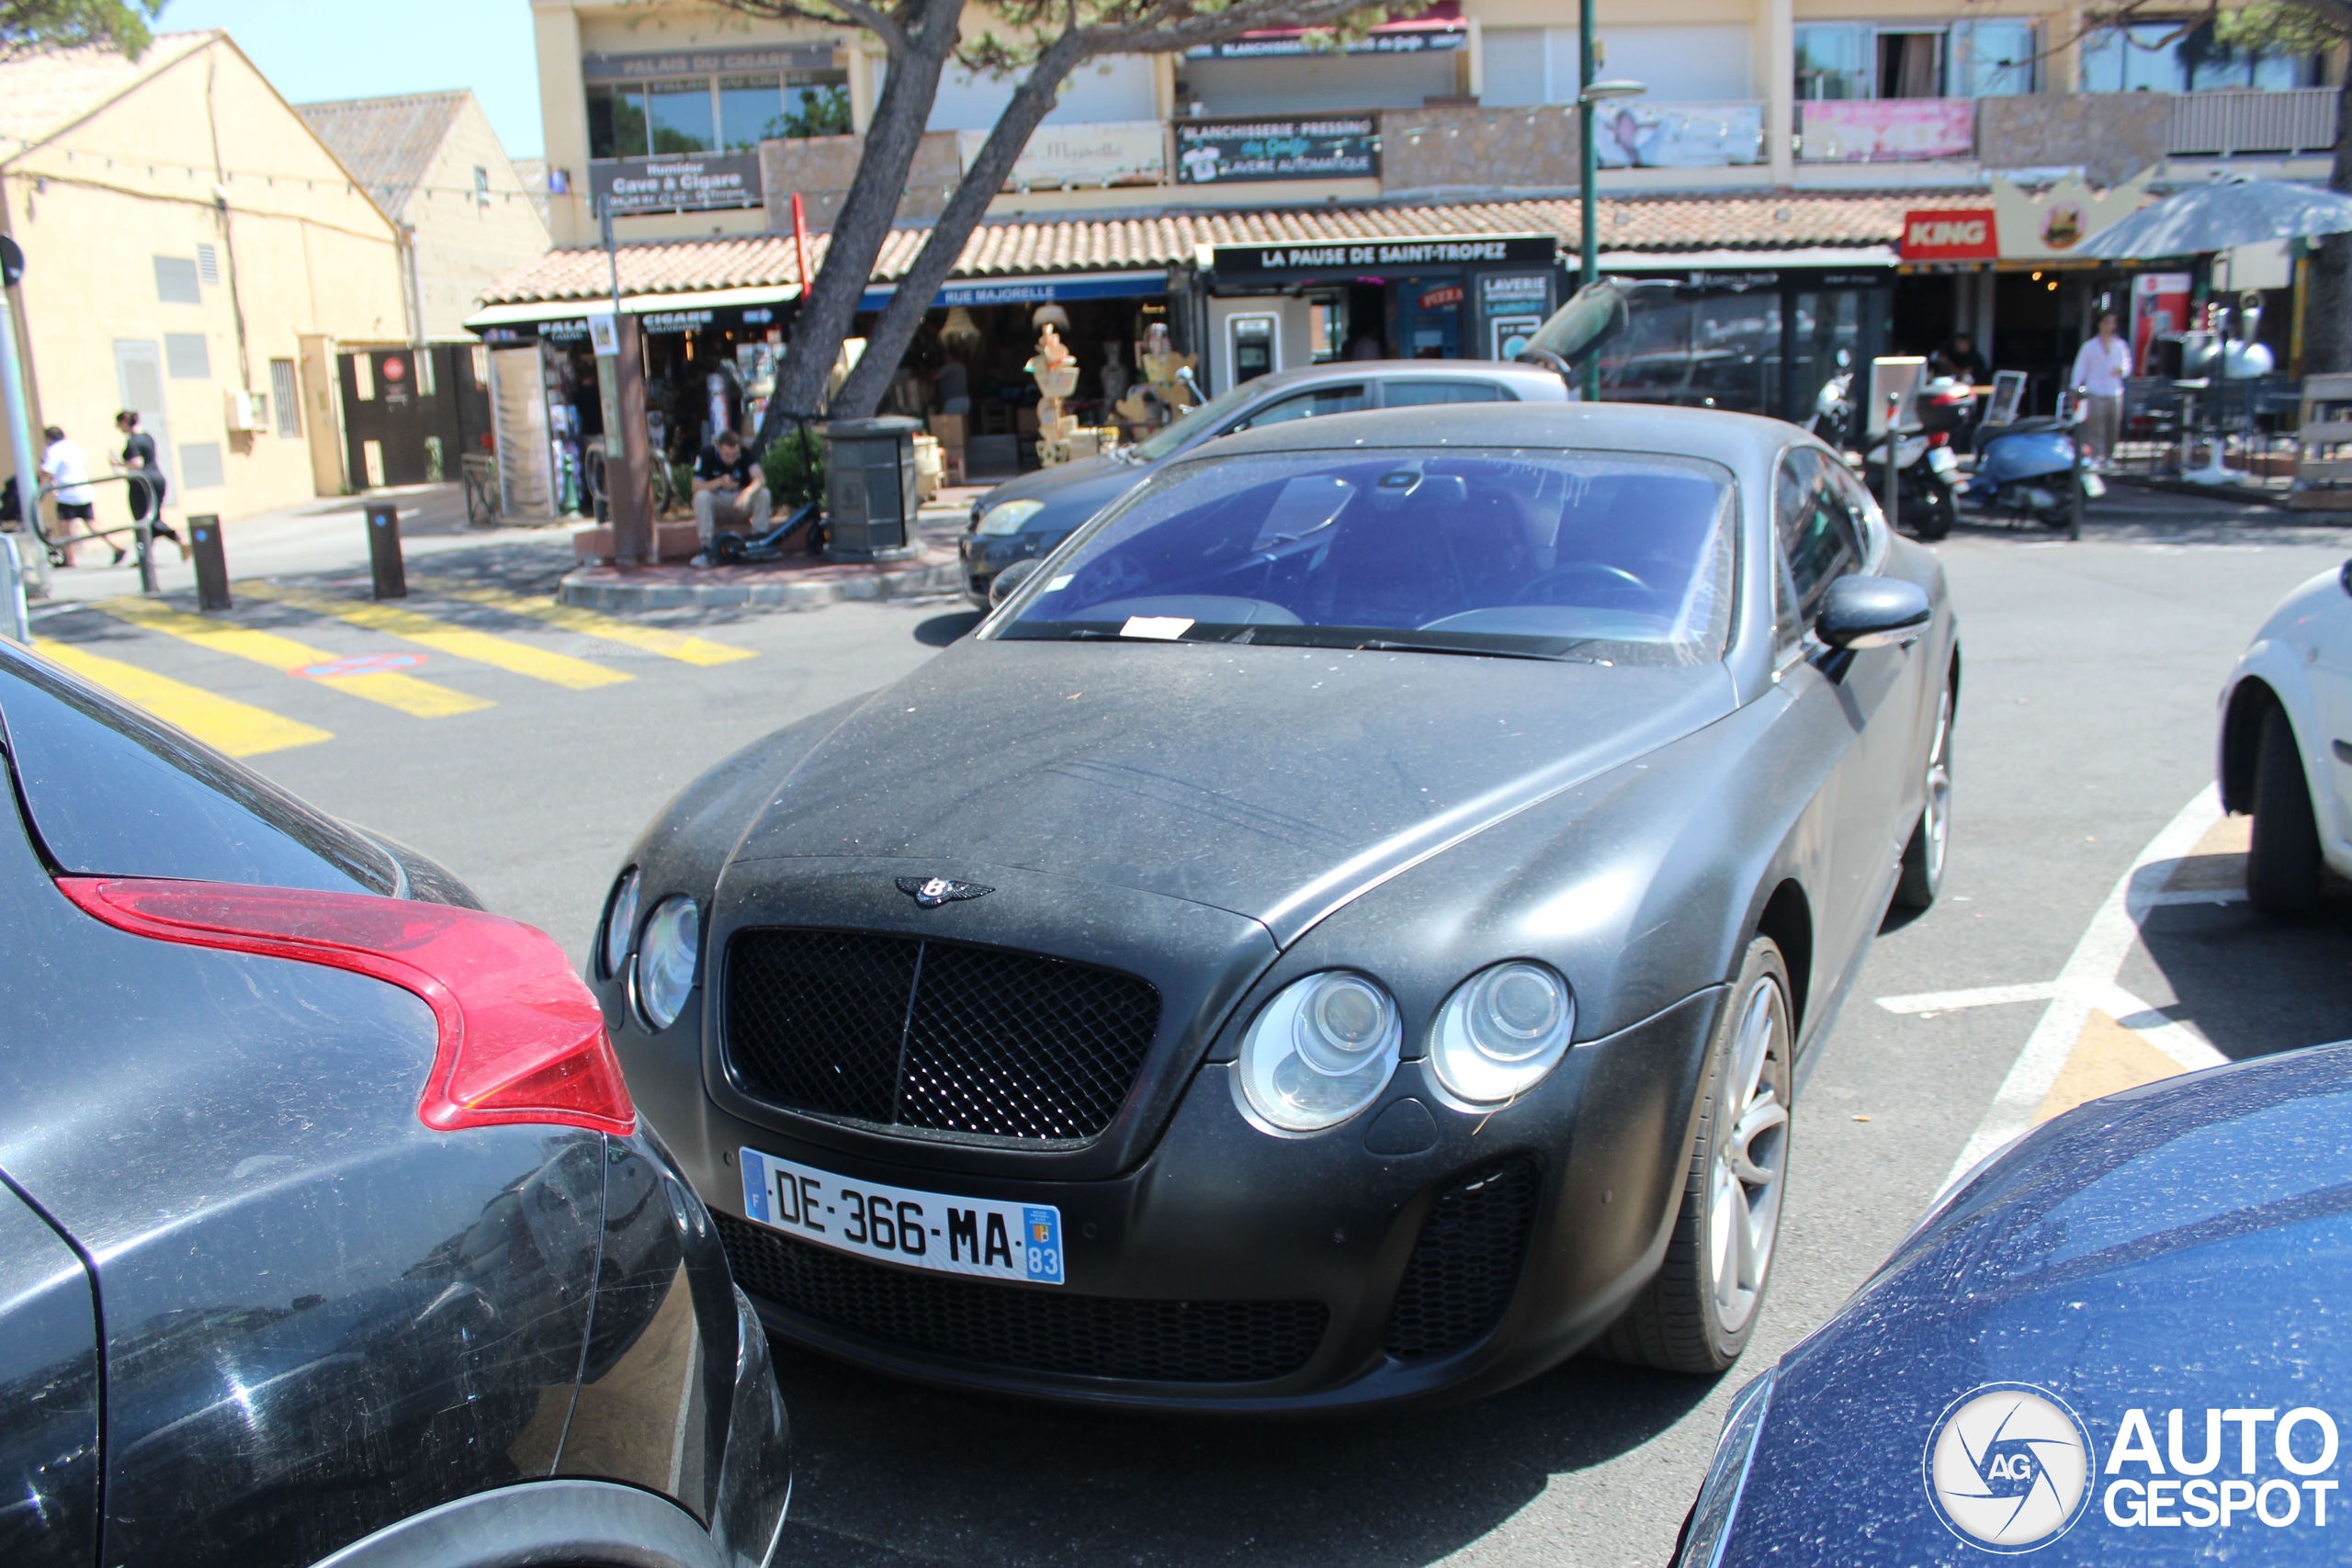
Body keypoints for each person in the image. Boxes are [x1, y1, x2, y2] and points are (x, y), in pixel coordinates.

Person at [113, 410, 185, 561]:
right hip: (157, 478)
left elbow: (136, 463)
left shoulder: (133, 441)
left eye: (119, 425)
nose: (119, 429)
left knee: (144, 520)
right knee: (152, 518)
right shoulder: (147, 437)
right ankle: (146, 557)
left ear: (125, 423)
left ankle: (180, 542)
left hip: (143, 483)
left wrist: (118, 463)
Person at [689, 429, 766, 567]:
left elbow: (760, 479)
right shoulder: (706, 455)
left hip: (740, 503)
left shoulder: (746, 454)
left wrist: (747, 493)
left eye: (734, 455)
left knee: (763, 494)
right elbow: (695, 487)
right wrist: (719, 482)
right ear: (718, 449)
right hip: (718, 504)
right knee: (701, 497)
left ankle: (759, 543)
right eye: (726, 455)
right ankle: (707, 549)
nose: (731, 460)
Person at [2068, 310, 2133, 470]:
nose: (2109, 326)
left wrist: (2122, 370)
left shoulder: (2120, 345)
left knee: (2113, 425)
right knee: (2096, 426)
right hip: (2095, 390)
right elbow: (2080, 368)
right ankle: (2096, 456)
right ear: (2100, 324)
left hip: (2114, 391)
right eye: (2106, 322)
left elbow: (2127, 366)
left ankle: (2109, 456)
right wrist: (2075, 386)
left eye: (2112, 322)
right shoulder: (2089, 347)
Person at [38, 425, 96, 563]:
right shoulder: (75, 447)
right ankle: (117, 547)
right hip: (84, 490)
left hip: (67, 494)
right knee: (93, 524)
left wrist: (40, 487)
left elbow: (47, 472)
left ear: (49, 438)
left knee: (65, 529)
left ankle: (70, 560)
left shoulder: (53, 450)